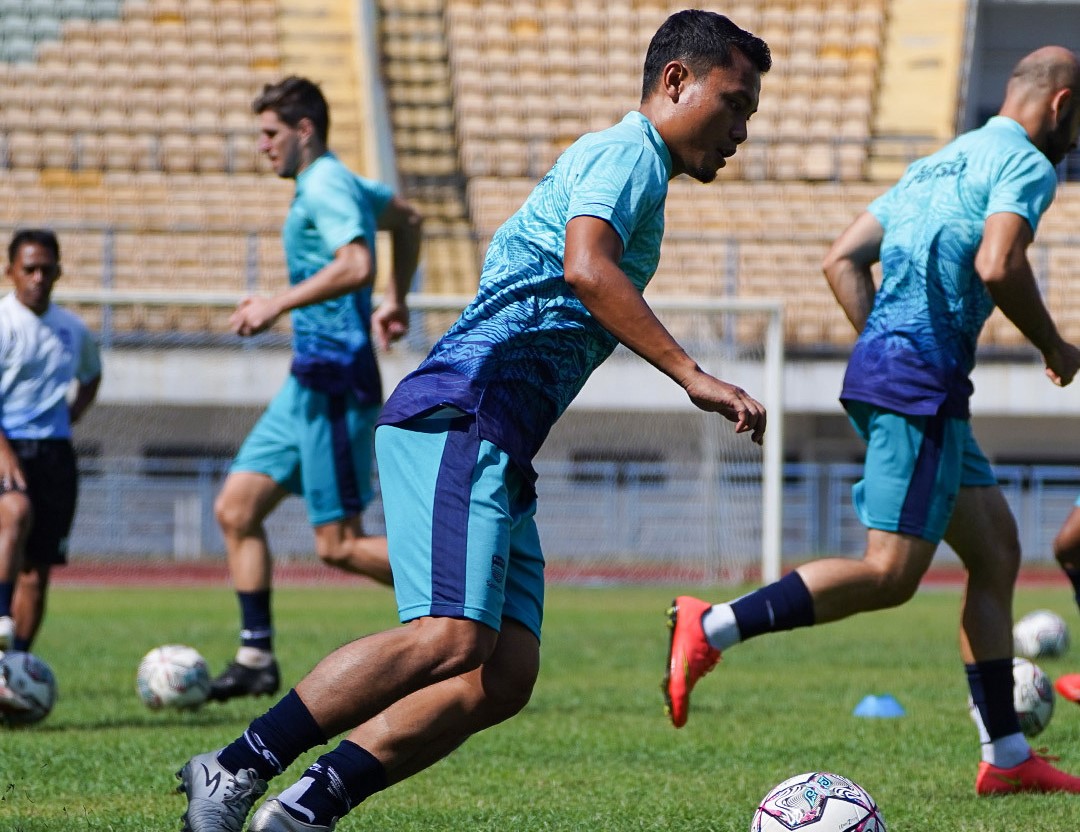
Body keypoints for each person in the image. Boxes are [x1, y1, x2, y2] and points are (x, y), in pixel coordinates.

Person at [177, 11, 769, 831]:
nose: (742, 129)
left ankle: (306, 809)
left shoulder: (643, 175)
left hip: (500, 434)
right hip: (466, 408)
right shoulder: (627, 152)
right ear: (676, 81)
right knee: (450, 638)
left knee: (502, 675)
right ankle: (236, 766)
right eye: (734, 103)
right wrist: (691, 375)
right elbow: (586, 267)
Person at [663, 46, 1080, 796]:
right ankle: (712, 624)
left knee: (996, 553)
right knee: (890, 573)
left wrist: (884, 346)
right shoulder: (1027, 165)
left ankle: (1008, 758)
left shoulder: (939, 163)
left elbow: (841, 260)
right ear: (1059, 106)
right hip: (918, 382)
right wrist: (1055, 344)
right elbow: (998, 264)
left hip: (910, 378)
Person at [204, 77, 423, 705]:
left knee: (339, 545)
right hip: (306, 381)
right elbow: (408, 219)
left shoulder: (325, 184)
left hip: (334, 380)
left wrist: (276, 302)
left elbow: (356, 262)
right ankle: (255, 658)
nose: (263, 147)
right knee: (236, 510)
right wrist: (398, 301)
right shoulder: (342, 181)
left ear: (305, 131)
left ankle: (464, 607)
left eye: (271, 134)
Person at [0, 230, 101, 657]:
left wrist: (74, 412)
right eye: (30, 269)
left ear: (58, 271)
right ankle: (2, 619)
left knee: (38, 572)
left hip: (55, 454)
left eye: (46, 268)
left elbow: (92, 375)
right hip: (6, 445)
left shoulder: (72, 329)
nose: (39, 277)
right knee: (15, 512)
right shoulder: (4, 323)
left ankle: (17, 665)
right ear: (11, 272)